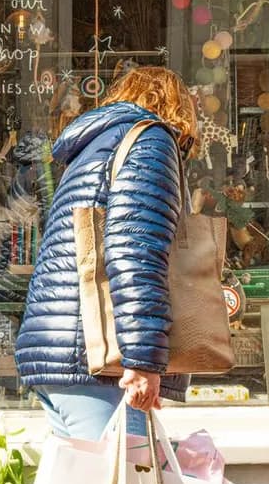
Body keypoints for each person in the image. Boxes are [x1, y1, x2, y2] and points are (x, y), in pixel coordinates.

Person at [14, 66, 197, 440]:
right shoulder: (150, 141)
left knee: (84, 476)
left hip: (62, 352)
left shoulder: (94, 147)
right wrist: (142, 361)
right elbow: (135, 253)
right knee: (124, 475)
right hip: (96, 360)